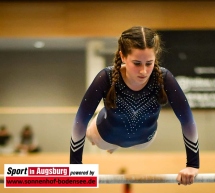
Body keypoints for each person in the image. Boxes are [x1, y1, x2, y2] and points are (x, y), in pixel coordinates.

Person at [70, 26, 199, 186]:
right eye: (137, 63)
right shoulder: (107, 77)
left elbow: (187, 120)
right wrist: (75, 165)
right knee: (88, 129)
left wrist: (192, 165)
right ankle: (110, 142)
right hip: (104, 137)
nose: (144, 71)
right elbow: (80, 120)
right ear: (123, 56)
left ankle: (115, 144)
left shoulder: (164, 78)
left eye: (149, 63)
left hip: (144, 140)